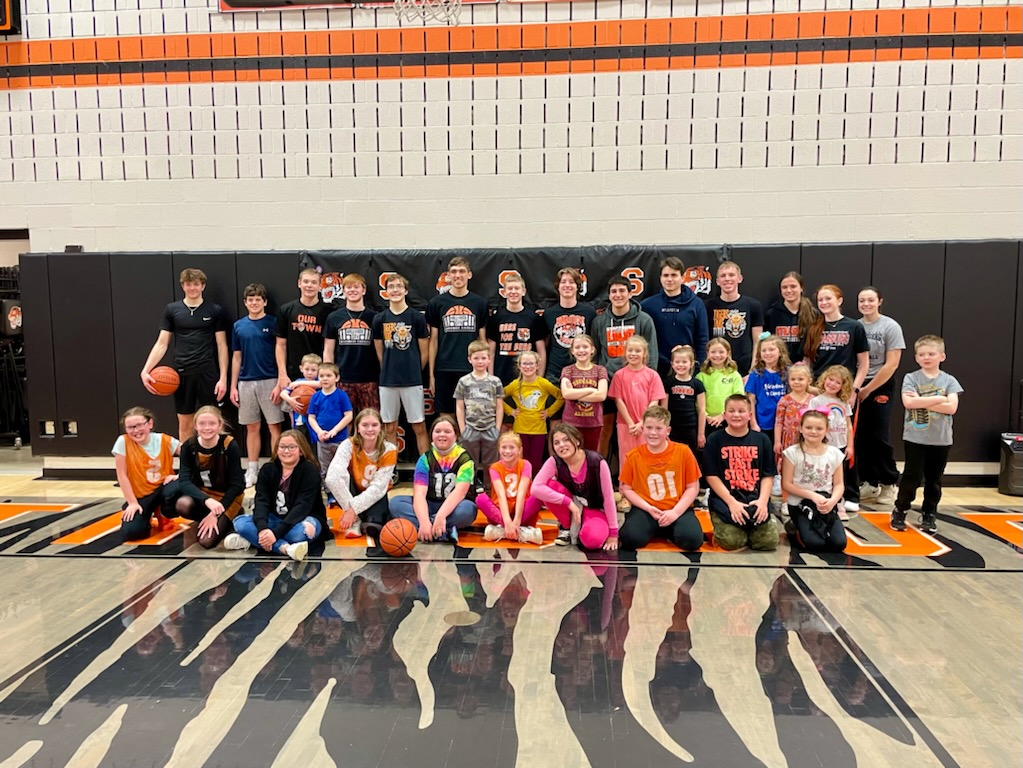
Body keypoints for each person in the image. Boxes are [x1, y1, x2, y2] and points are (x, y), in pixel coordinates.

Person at [140, 268, 229, 442]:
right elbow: (162, 343)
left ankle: (218, 457)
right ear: (183, 286)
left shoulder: (214, 310)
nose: (192, 288)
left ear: (203, 286)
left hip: (207, 372)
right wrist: (145, 370)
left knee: (214, 421)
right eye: (188, 284)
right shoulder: (172, 309)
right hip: (181, 373)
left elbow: (222, 346)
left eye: (196, 284)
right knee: (185, 423)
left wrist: (223, 378)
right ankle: (187, 459)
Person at [891, 335, 963, 534]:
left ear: (942, 356)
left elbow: (952, 408)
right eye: (922, 354)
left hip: (941, 440)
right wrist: (940, 399)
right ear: (916, 358)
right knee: (911, 477)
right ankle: (900, 509)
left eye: (931, 354)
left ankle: (929, 513)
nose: (926, 357)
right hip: (915, 438)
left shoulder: (949, 380)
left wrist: (922, 400)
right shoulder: (911, 378)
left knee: (934, 480)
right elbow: (909, 403)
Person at [225, 429, 327, 562]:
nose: (286, 451)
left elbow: (302, 506)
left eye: (292, 447)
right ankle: (285, 548)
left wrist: (276, 533)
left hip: (302, 519)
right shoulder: (267, 469)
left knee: (298, 535)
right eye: (282, 447)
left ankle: (252, 540)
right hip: (273, 518)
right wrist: (263, 529)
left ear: (301, 451)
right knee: (240, 523)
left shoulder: (310, 471)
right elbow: (261, 501)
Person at [618, 406, 703, 552]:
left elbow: (693, 487)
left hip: (677, 507)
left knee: (692, 541)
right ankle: (656, 527)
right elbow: (627, 489)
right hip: (646, 509)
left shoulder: (683, 452)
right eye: (649, 427)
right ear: (643, 429)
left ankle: (669, 527)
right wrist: (648, 508)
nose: (653, 433)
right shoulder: (633, 456)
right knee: (629, 538)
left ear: (668, 431)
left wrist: (675, 512)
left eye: (658, 428)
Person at [593, 275, 659, 456]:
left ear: (630, 293)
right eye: (614, 291)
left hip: (635, 386)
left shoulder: (644, 320)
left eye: (622, 290)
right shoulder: (599, 321)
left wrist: (648, 384)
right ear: (609, 295)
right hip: (608, 383)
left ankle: (641, 468)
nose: (618, 295)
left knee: (637, 428)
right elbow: (595, 355)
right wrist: (600, 380)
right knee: (604, 431)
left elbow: (651, 354)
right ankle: (602, 469)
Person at [703, 394, 778, 551]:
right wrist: (731, 503)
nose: (736, 415)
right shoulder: (714, 439)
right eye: (731, 411)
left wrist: (763, 502)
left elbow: (768, 475)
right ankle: (724, 523)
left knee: (768, 541)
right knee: (732, 541)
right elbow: (711, 476)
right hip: (726, 500)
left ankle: (755, 527)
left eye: (741, 411)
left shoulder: (762, 440)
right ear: (724, 415)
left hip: (755, 499)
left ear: (750, 415)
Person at [529, 422, 619, 550]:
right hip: (570, 508)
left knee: (592, 540)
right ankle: (566, 527)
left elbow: (608, 498)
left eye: (566, 440)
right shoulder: (554, 461)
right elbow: (535, 488)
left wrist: (613, 533)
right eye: (556, 443)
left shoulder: (597, 462)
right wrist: (568, 502)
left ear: (577, 441)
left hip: (594, 508)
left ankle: (584, 526)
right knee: (549, 485)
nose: (562, 445)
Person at [229, 283, 285, 487]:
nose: (254, 303)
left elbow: (281, 350)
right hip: (245, 382)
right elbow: (236, 357)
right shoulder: (238, 326)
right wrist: (233, 386)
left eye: (258, 299)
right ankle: (252, 469)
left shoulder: (273, 322)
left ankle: (277, 468)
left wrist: (280, 381)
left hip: (270, 380)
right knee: (252, 427)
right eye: (250, 300)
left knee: (274, 426)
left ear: (265, 302)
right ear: (245, 302)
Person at [389, 416, 478, 542]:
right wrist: (424, 521)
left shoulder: (465, 459)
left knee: (469, 509)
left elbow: (460, 492)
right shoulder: (425, 459)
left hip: (454, 506)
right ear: (432, 435)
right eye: (437, 431)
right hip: (429, 504)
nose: (442, 435)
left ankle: (428, 529)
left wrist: (440, 516)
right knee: (396, 503)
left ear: (456, 435)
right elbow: (419, 494)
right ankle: (442, 531)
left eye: (447, 431)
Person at [855, 287, 906, 508]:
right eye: (862, 300)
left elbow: (892, 364)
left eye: (870, 300)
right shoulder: (856, 326)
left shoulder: (890, 326)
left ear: (880, 301)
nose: (866, 304)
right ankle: (870, 481)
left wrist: (868, 389)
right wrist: (858, 387)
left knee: (878, 435)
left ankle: (889, 481)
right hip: (858, 384)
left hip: (881, 385)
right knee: (860, 436)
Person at [372, 273, 430, 456]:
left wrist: (414, 370)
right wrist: (389, 368)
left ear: (406, 291)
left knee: (419, 426)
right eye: (391, 287)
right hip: (388, 381)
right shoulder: (379, 319)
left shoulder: (416, 317)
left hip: (412, 380)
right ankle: (391, 468)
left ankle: (425, 468)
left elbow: (424, 351)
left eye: (399, 286)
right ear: (386, 292)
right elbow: (379, 351)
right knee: (389, 427)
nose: (395, 290)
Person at [175, 405, 246, 549]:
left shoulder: (229, 444)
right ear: (195, 426)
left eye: (212, 423)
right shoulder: (188, 446)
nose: (207, 428)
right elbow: (184, 481)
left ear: (220, 425)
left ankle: (231, 517)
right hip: (205, 496)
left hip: (227, 498)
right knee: (182, 504)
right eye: (202, 423)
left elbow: (238, 484)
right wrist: (207, 500)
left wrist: (215, 513)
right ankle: (207, 518)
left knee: (206, 542)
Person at [426, 257, 489, 418]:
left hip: (471, 368)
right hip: (444, 368)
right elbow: (433, 341)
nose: (458, 275)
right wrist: (431, 374)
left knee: (472, 417)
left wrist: (485, 372)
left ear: (469, 275)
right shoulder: (437, 303)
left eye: (462, 271)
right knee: (446, 418)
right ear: (448, 276)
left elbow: (483, 341)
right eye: (454, 272)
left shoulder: (480, 303)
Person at [325, 408, 398, 542]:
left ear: (381, 428)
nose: (370, 429)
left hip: (375, 495)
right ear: (357, 428)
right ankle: (355, 520)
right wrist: (350, 508)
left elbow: (378, 488)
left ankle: (355, 516)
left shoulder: (389, 450)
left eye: (374, 425)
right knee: (336, 477)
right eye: (365, 425)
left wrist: (352, 510)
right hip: (351, 491)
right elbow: (332, 477)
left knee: (373, 528)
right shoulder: (347, 445)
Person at [781, 409, 847, 552]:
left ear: (826, 430)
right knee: (815, 544)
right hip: (799, 504)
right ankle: (794, 525)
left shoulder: (834, 454)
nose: (813, 431)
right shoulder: (792, 453)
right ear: (801, 428)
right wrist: (812, 495)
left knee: (839, 544)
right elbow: (786, 484)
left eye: (819, 428)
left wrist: (832, 502)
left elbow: (839, 484)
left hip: (825, 503)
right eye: (809, 427)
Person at [113, 406, 180, 542]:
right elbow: (122, 475)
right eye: (130, 427)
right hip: (142, 496)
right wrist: (132, 503)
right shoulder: (123, 442)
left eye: (139, 425)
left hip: (164, 488)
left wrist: (180, 475)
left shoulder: (164, 440)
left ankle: (164, 514)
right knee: (131, 533)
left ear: (150, 423)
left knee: (180, 485)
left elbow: (190, 454)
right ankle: (146, 516)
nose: (135, 430)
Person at [323, 273, 381, 417]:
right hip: (343, 379)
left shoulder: (374, 317)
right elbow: (328, 350)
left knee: (370, 420)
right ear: (343, 291)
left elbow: (380, 350)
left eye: (356, 287)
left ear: (364, 290)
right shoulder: (334, 317)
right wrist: (329, 375)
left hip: (369, 379)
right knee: (344, 421)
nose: (352, 290)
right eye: (348, 287)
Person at [642, 256, 709, 374]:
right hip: (657, 370)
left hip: (687, 369)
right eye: (666, 275)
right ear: (660, 278)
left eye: (674, 275)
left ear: (682, 278)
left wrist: (699, 367)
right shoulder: (647, 305)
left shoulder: (696, 304)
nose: (669, 279)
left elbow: (702, 339)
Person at [476, 432, 543, 544]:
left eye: (512, 447)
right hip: (501, 512)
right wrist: (507, 522)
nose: (507, 451)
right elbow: (501, 495)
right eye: (504, 447)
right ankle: (520, 532)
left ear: (520, 450)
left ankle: (502, 531)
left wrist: (516, 521)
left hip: (522, 512)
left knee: (538, 495)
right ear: (499, 449)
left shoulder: (526, 465)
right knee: (480, 499)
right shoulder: (494, 468)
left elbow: (521, 493)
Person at [809, 365, 858, 517]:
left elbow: (848, 426)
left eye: (838, 382)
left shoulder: (844, 403)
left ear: (843, 386)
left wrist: (850, 446)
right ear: (824, 379)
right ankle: (820, 501)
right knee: (822, 474)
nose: (833, 384)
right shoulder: (816, 401)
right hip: (822, 446)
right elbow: (810, 422)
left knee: (839, 476)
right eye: (831, 379)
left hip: (840, 446)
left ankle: (838, 503)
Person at [455, 340, 504, 488]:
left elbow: (499, 407)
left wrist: (497, 428)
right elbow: (460, 406)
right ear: (470, 359)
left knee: (492, 464)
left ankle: (491, 489)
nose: (480, 361)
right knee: (469, 463)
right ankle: (469, 489)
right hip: (470, 428)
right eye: (476, 358)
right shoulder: (464, 381)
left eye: (483, 358)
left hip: (490, 428)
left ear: (489, 359)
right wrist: (463, 429)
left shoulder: (495, 381)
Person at [504, 349, 563, 474]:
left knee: (535, 463)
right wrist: (511, 411)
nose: (528, 367)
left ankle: (535, 484)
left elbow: (560, 397)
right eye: (525, 363)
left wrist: (549, 412)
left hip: (539, 429)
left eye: (531, 363)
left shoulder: (543, 383)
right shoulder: (515, 385)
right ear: (519, 366)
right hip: (520, 428)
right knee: (521, 462)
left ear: (537, 365)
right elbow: (498, 397)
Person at [745, 335, 791, 496]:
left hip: (784, 422)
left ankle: (780, 477)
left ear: (780, 351)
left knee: (781, 451)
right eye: (764, 350)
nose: (767, 353)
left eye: (771, 349)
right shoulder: (756, 374)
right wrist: (753, 422)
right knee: (765, 451)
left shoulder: (787, 372)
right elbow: (751, 399)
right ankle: (766, 478)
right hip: (763, 421)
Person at [607, 337, 667, 458]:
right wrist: (630, 424)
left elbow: (654, 401)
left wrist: (642, 423)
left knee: (647, 457)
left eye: (638, 351)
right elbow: (618, 401)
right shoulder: (619, 375)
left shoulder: (653, 375)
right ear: (625, 352)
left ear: (644, 353)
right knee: (627, 457)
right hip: (625, 425)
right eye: (630, 350)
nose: (633, 354)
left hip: (647, 425)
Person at [803, 284, 869, 390]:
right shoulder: (812, 327)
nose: (824, 302)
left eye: (828, 298)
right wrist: (807, 386)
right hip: (818, 386)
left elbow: (863, 364)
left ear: (839, 301)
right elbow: (807, 361)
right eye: (820, 300)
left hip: (844, 386)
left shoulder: (855, 327)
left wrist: (854, 390)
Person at [487, 272, 547, 386]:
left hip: (528, 378)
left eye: (517, 288)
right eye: (510, 289)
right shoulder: (496, 317)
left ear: (523, 291)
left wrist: (539, 378)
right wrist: (490, 378)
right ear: (504, 292)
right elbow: (491, 352)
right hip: (502, 376)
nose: (513, 292)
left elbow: (541, 351)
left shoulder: (533, 318)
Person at [704, 261, 763, 376]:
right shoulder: (708, 306)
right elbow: (704, 340)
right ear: (717, 281)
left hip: (745, 367)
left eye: (731, 275)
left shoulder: (753, 305)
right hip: (716, 367)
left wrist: (753, 370)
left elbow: (758, 341)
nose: (727, 279)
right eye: (723, 276)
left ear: (740, 278)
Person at [542, 267, 597, 382]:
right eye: (563, 282)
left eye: (571, 282)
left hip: (582, 372)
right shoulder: (548, 314)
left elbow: (594, 343)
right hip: (554, 373)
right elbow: (544, 345)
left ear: (577, 287)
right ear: (558, 286)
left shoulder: (589, 313)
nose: (567, 285)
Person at [559, 334, 608, 452]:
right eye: (577, 347)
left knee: (590, 454)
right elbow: (566, 394)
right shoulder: (568, 370)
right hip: (571, 423)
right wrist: (591, 390)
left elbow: (601, 395)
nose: (581, 350)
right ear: (572, 351)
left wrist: (575, 394)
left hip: (593, 423)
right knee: (572, 453)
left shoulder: (600, 370)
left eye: (585, 347)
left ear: (592, 349)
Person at [306, 362, 354, 481]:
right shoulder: (315, 396)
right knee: (325, 468)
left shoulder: (341, 395)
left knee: (342, 467)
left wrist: (334, 431)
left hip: (340, 439)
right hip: (322, 440)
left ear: (337, 378)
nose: (325, 379)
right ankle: (328, 490)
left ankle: (343, 489)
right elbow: (311, 417)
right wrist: (319, 432)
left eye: (328, 375)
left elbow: (348, 416)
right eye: (321, 376)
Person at [764, 271, 817, 363]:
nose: (788, 290)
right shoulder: (771, 314)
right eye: (784, 287)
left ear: (801, 288)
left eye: (793, 286)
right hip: (779, 365)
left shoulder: (813, 314)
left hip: (804, 366)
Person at [663, 344, 706, 457]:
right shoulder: (668, 383)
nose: (680, 365)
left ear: (691, 364)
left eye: (684, 362)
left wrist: (701, 434)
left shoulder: (697, 384)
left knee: (690, 457)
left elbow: (702, 410)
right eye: (677, 362)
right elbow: (664, 409)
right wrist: (664, 429)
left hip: (690, 428)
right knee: (672, 457)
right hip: (673, 428)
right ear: (672, 364)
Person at [697, 338, 745, 437]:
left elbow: (738, 398)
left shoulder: (735, 375)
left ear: (728, 353)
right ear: (708, 353)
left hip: (728, 420)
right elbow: (697, 402)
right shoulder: (701, 376)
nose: (717, 355)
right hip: (706, 422)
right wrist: (706, 417)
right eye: (713, 352)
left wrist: (723, 415)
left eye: (721, 352)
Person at [774, 362, 814, 467]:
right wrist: (777, 442)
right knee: (789, 465)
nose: (796, 382)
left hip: (807, 438)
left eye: (800, 379)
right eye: (793, 379)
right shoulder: (784, 400)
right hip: (789, 439)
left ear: (809, 381)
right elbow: (778, 422)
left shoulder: (813, 400)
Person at [279, 353, 322, 438]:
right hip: (300, 420)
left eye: (313, 370)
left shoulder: (319, 381)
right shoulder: (297, 381)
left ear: (319, 371)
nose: (310, 373)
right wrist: (290, 400)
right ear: (301, 369)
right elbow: (282, 393)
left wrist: (299, 383)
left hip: (316, 421)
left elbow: (320, 384)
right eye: (307, 369)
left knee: (313, 443)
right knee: (300, 441)